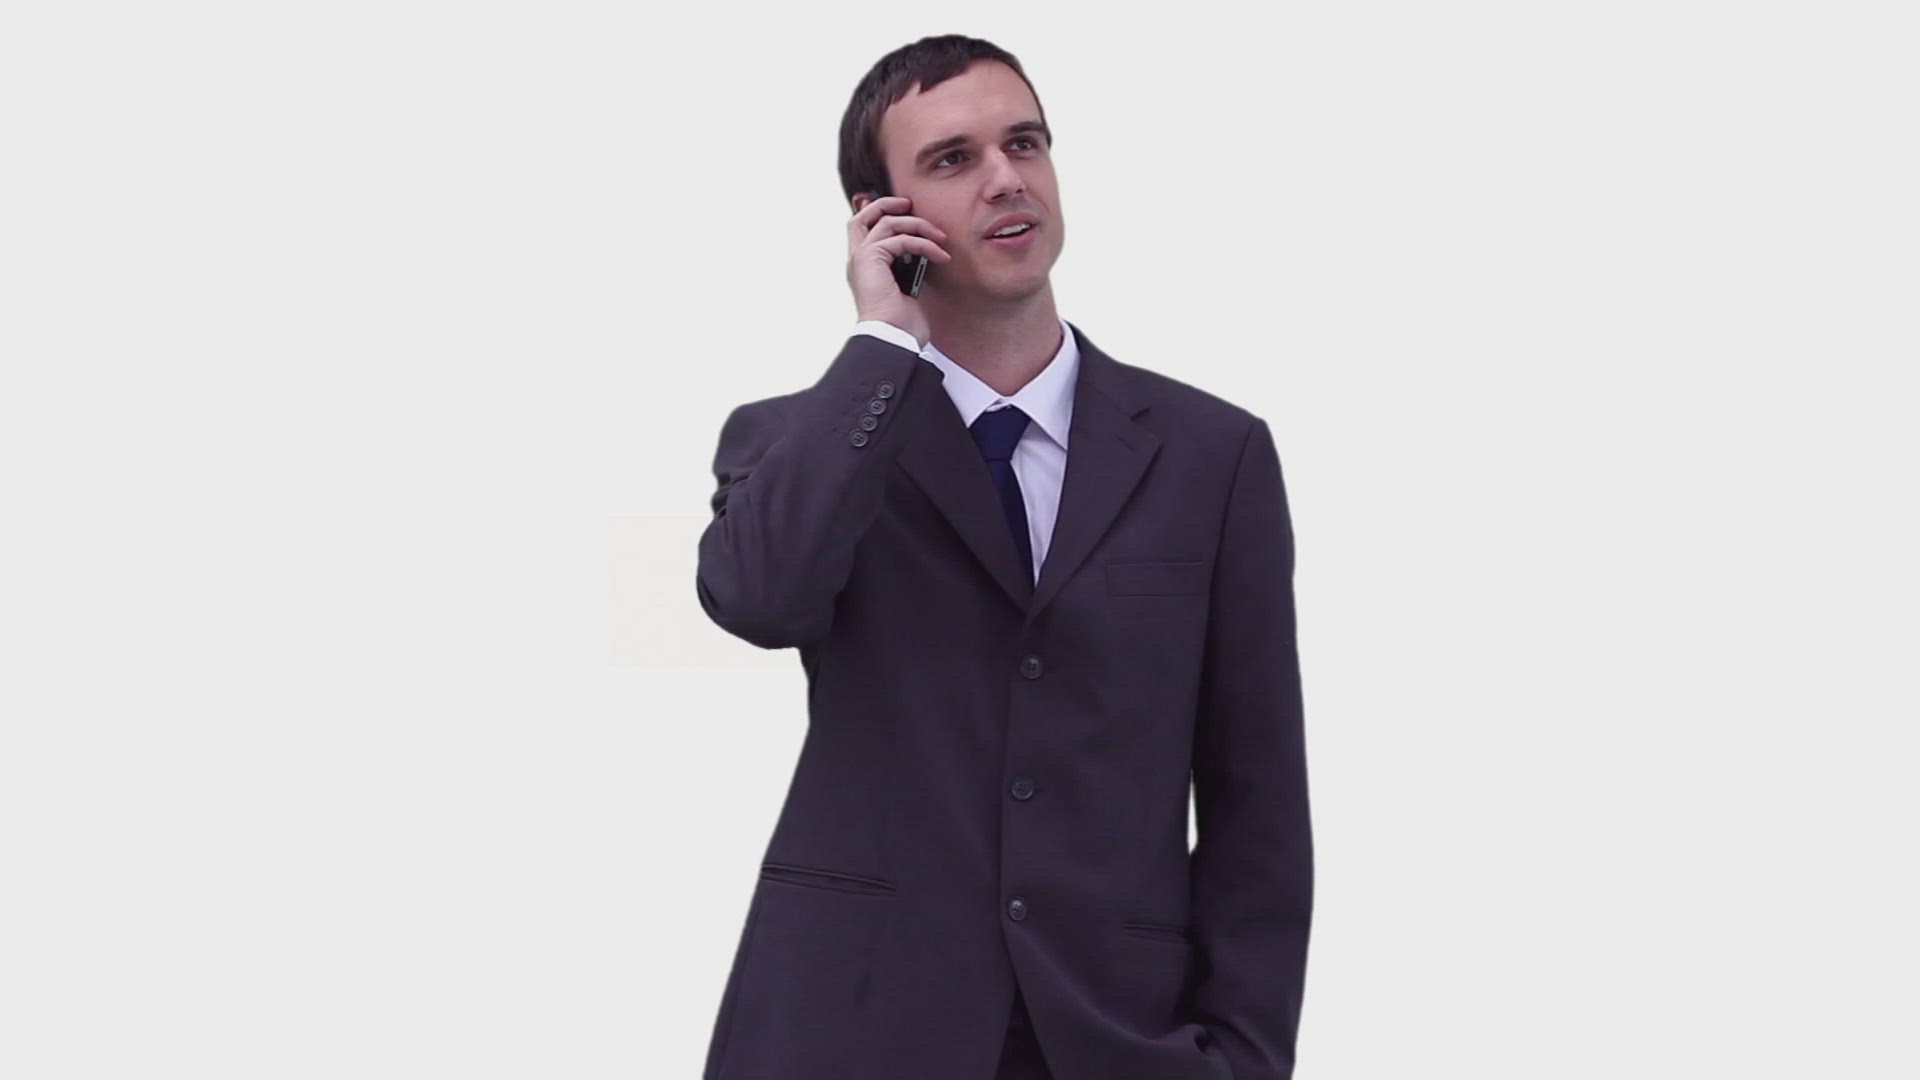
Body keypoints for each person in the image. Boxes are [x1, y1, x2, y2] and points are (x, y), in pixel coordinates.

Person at [695, 34, 1312, 1080]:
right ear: (877, 217)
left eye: (1024, 143)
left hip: (1117, 1038)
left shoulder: (1216, 456)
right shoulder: (808, 440)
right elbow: (757, 597)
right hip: (848, 1033)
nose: (1005, 178)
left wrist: (1242, 1057)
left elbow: (1260, 803)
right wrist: (882, 341)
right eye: (953, 159)